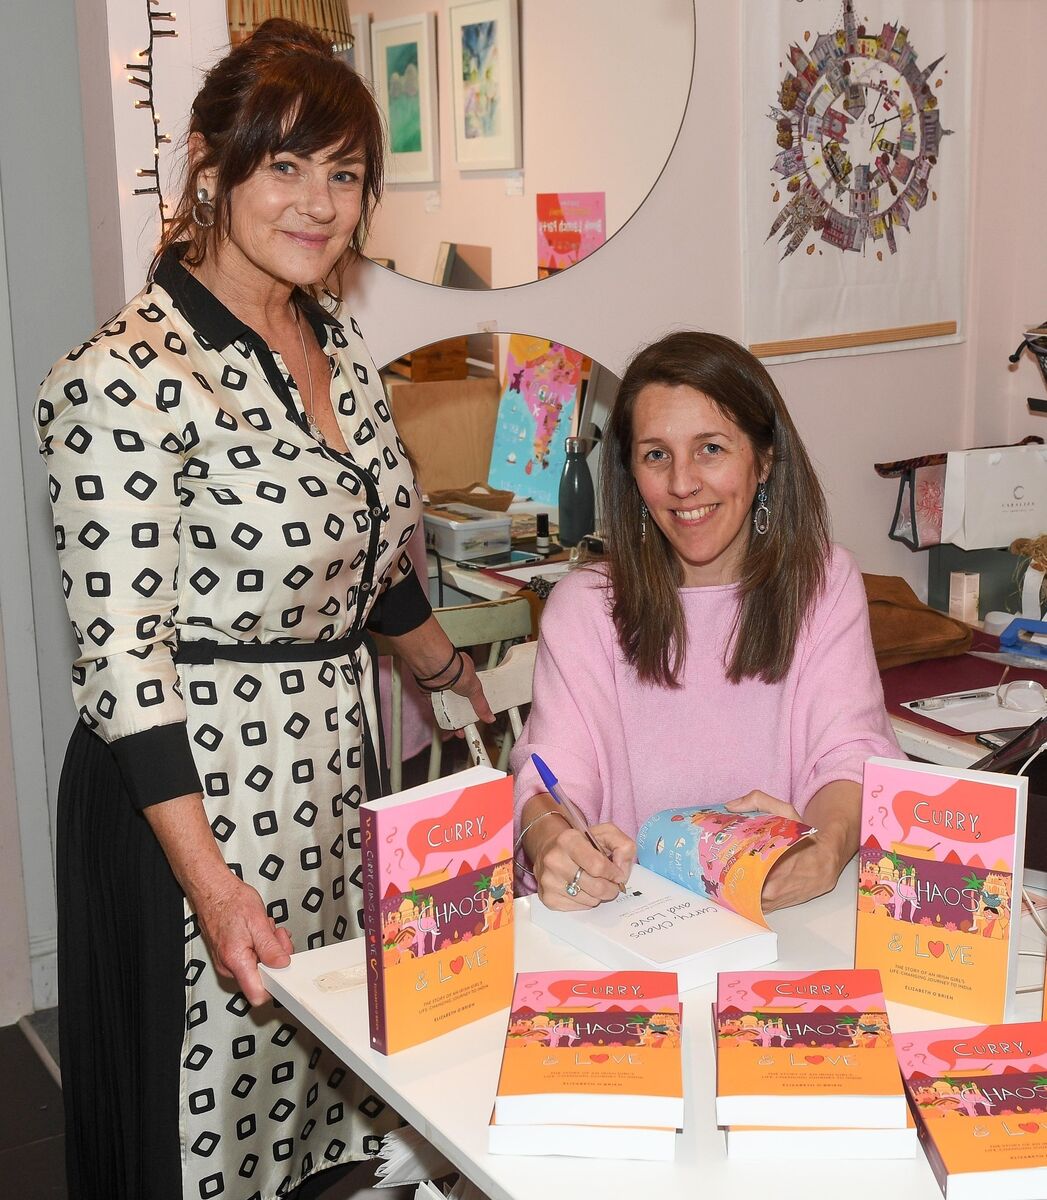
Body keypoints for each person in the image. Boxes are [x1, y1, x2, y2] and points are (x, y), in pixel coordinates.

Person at [36, 20, 491, 1200]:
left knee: (322, 1098)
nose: (318, 203)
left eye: (345, 173)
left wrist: (444, 669)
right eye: (285, 165)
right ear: (212, 164)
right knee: (209, 1126)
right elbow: (122, 667)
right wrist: (213, 884)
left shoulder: (330, 334)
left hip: (330, 781)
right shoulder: (122, 379)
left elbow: (369, 554)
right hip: (192, 801)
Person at [512, 330, 900, 913]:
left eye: (711, 448)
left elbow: (848, 755)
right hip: (632, 925)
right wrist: (549, 842)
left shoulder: (823, 583)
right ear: (631, 473)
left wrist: (823, 849)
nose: (682, 483)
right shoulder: (583, 607)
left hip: (789, 921)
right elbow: (552, 777)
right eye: (656, 455)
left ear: (764, 459)